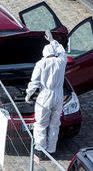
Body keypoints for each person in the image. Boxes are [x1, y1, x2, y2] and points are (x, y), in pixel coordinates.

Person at [25, 30, 67, 160]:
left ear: (44, 53)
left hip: (45, 96)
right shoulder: (61, 61)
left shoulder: (41, 64)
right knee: (55, 124)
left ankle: (40, 150)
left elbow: (34, 82)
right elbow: (62, 51)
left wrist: (28, 95)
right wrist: (52, 41)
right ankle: (51, 150)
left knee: (41, 124)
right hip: (58, 95)